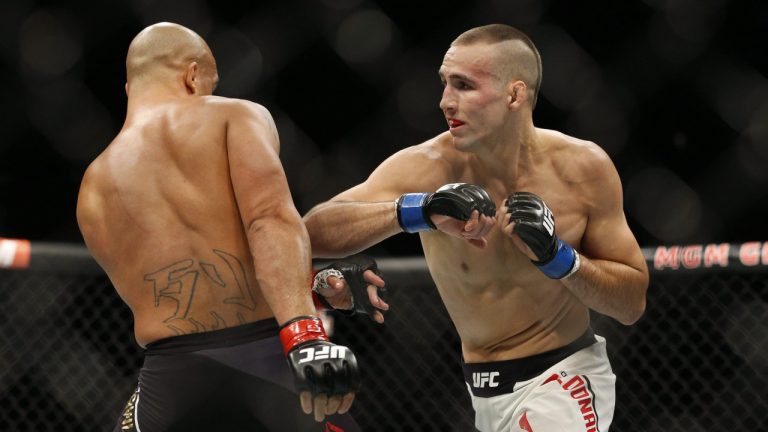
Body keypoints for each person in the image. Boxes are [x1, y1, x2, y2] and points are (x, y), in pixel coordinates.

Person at [303, 24, 649, 432]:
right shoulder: (427, 167)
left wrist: (559, 258)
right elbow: (312, 233)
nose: (445, 101)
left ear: (514, 95)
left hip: (565, 377)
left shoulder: (582, 169)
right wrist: (418, 210)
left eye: (464, 85)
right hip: (481, 392)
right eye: (445, 83)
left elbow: (631, 305)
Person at [76, 22, 375, 432]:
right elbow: (269, 221)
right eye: (210, 85)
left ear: (130, 88)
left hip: (171, 382)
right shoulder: (233, 116)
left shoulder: (92, 186)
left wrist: (314, 286)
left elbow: (182, 283)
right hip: (267, 363)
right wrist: (306, 334)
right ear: (192, 75)